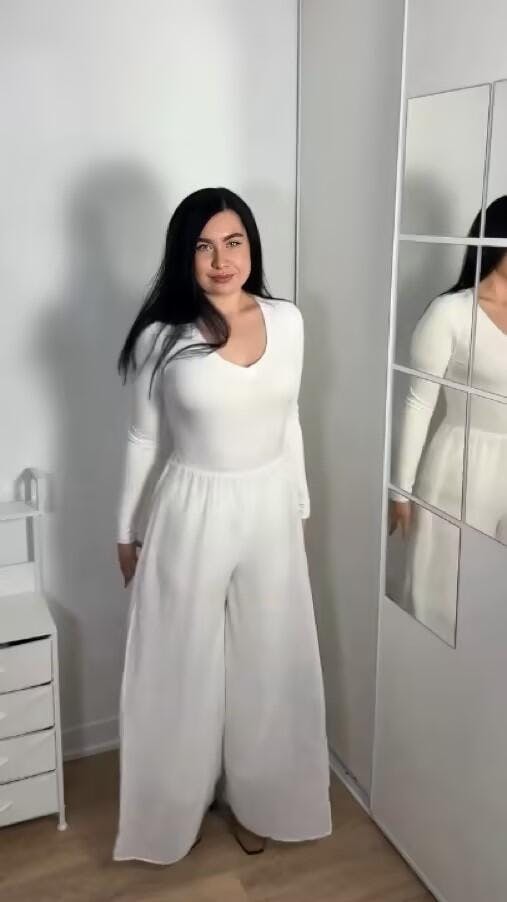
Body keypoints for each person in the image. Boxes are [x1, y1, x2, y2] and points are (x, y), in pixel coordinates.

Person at [113, 187, 332, 864]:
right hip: (191, 508)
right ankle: (173, 810)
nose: (220, 260)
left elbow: (289, 420)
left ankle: (259, 799)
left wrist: (299, 507)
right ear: (185, 256)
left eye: (233, 243)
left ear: (251, 248)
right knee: (180, 662)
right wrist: (125, 531)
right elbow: (142, 440)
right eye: (203, 247)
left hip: (268, 506)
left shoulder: (287, 321)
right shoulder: (160, 337)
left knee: (269, 658)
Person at [390, 196, 507, 643]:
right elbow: (418, 402)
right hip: (462, 465)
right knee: (443, 598)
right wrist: (400, 489)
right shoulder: (451, 313)